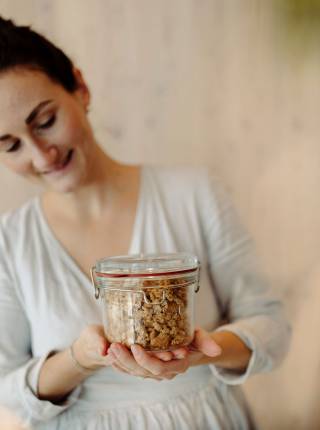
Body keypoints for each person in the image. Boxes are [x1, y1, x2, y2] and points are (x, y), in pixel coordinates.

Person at [0, 16, 290, 430]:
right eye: (10, 145)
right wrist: (79, 360)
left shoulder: (194, 194)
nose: (42, 156)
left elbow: (272, 327)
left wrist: (203, 350)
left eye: (46, 122)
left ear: (80, 88)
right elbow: (6, 387)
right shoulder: (10, 242)